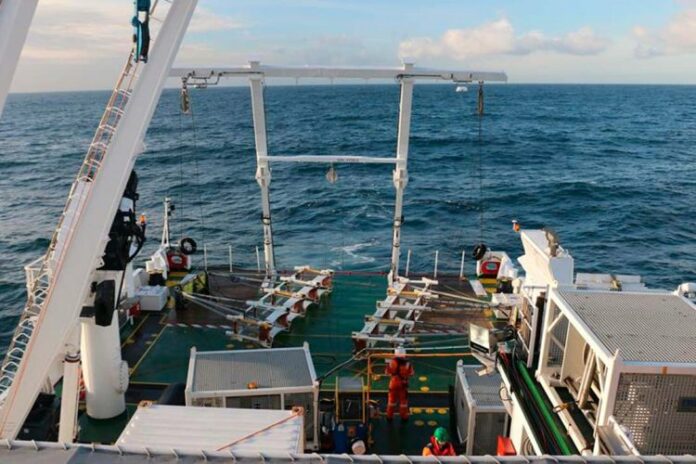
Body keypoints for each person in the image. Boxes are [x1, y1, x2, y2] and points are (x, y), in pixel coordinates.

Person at [385, 346, 414, 421]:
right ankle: (404, 417)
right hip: (403, 384)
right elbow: (411, 373)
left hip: (393, 383)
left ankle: (389, 416)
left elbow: (387, 372)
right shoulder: (408, 364)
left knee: (391, 401)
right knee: (403, 403)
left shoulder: (392, 362)